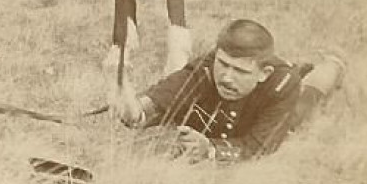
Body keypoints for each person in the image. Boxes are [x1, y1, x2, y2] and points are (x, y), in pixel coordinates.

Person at [111, 18, 346, 161]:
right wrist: (132, 108)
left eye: (240, 71)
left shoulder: (280, 86)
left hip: (264, 111)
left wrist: (211, 149)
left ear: (263, 74)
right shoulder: (204, 69)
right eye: (223, 64)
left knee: (306, 104)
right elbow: (158, 99)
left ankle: (334, 63)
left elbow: (258, 149)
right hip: (225, 117)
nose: (227, 78)